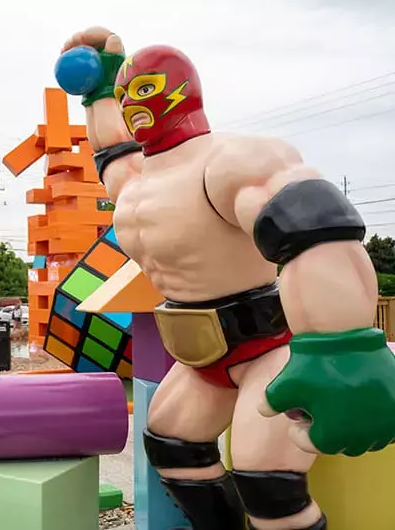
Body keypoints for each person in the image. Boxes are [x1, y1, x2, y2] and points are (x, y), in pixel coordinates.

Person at [61, 27, 395, 530]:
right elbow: (112, 150)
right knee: (171, 444)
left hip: (269, 347)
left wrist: (345, 351)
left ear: (184, 90)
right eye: (128, 96)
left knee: (267, 481)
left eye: (145, 89)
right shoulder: (137, 182)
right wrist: (100, 88)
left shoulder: (228, 161)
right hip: (201, 357)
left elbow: (317, 230)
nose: (133, 104)